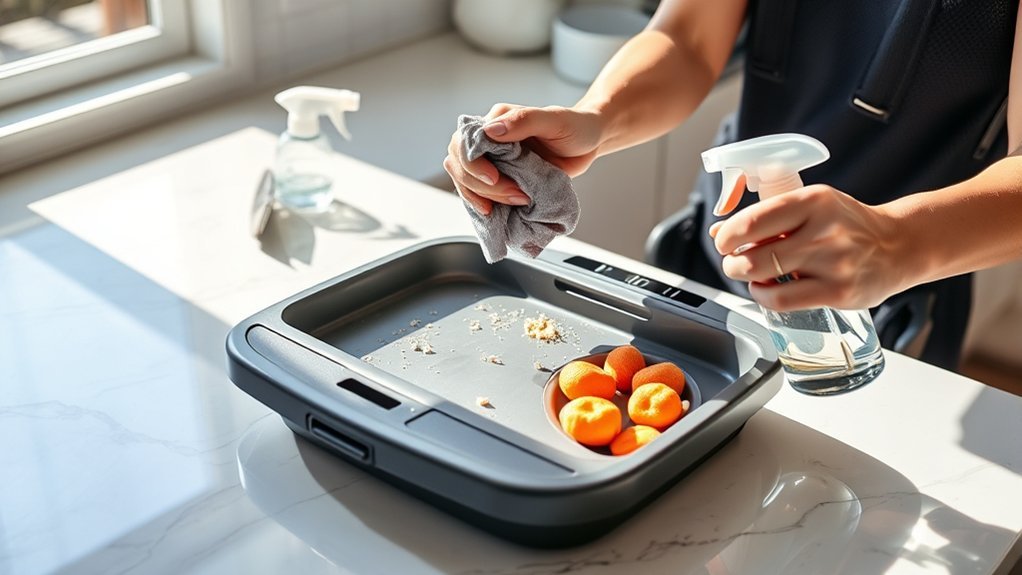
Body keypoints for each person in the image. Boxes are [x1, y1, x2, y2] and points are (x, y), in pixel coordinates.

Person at [444, 0, 1022, 371]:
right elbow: (688, 38)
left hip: (893, 302)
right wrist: (596, 118)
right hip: (721, 254)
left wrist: (898, 241)